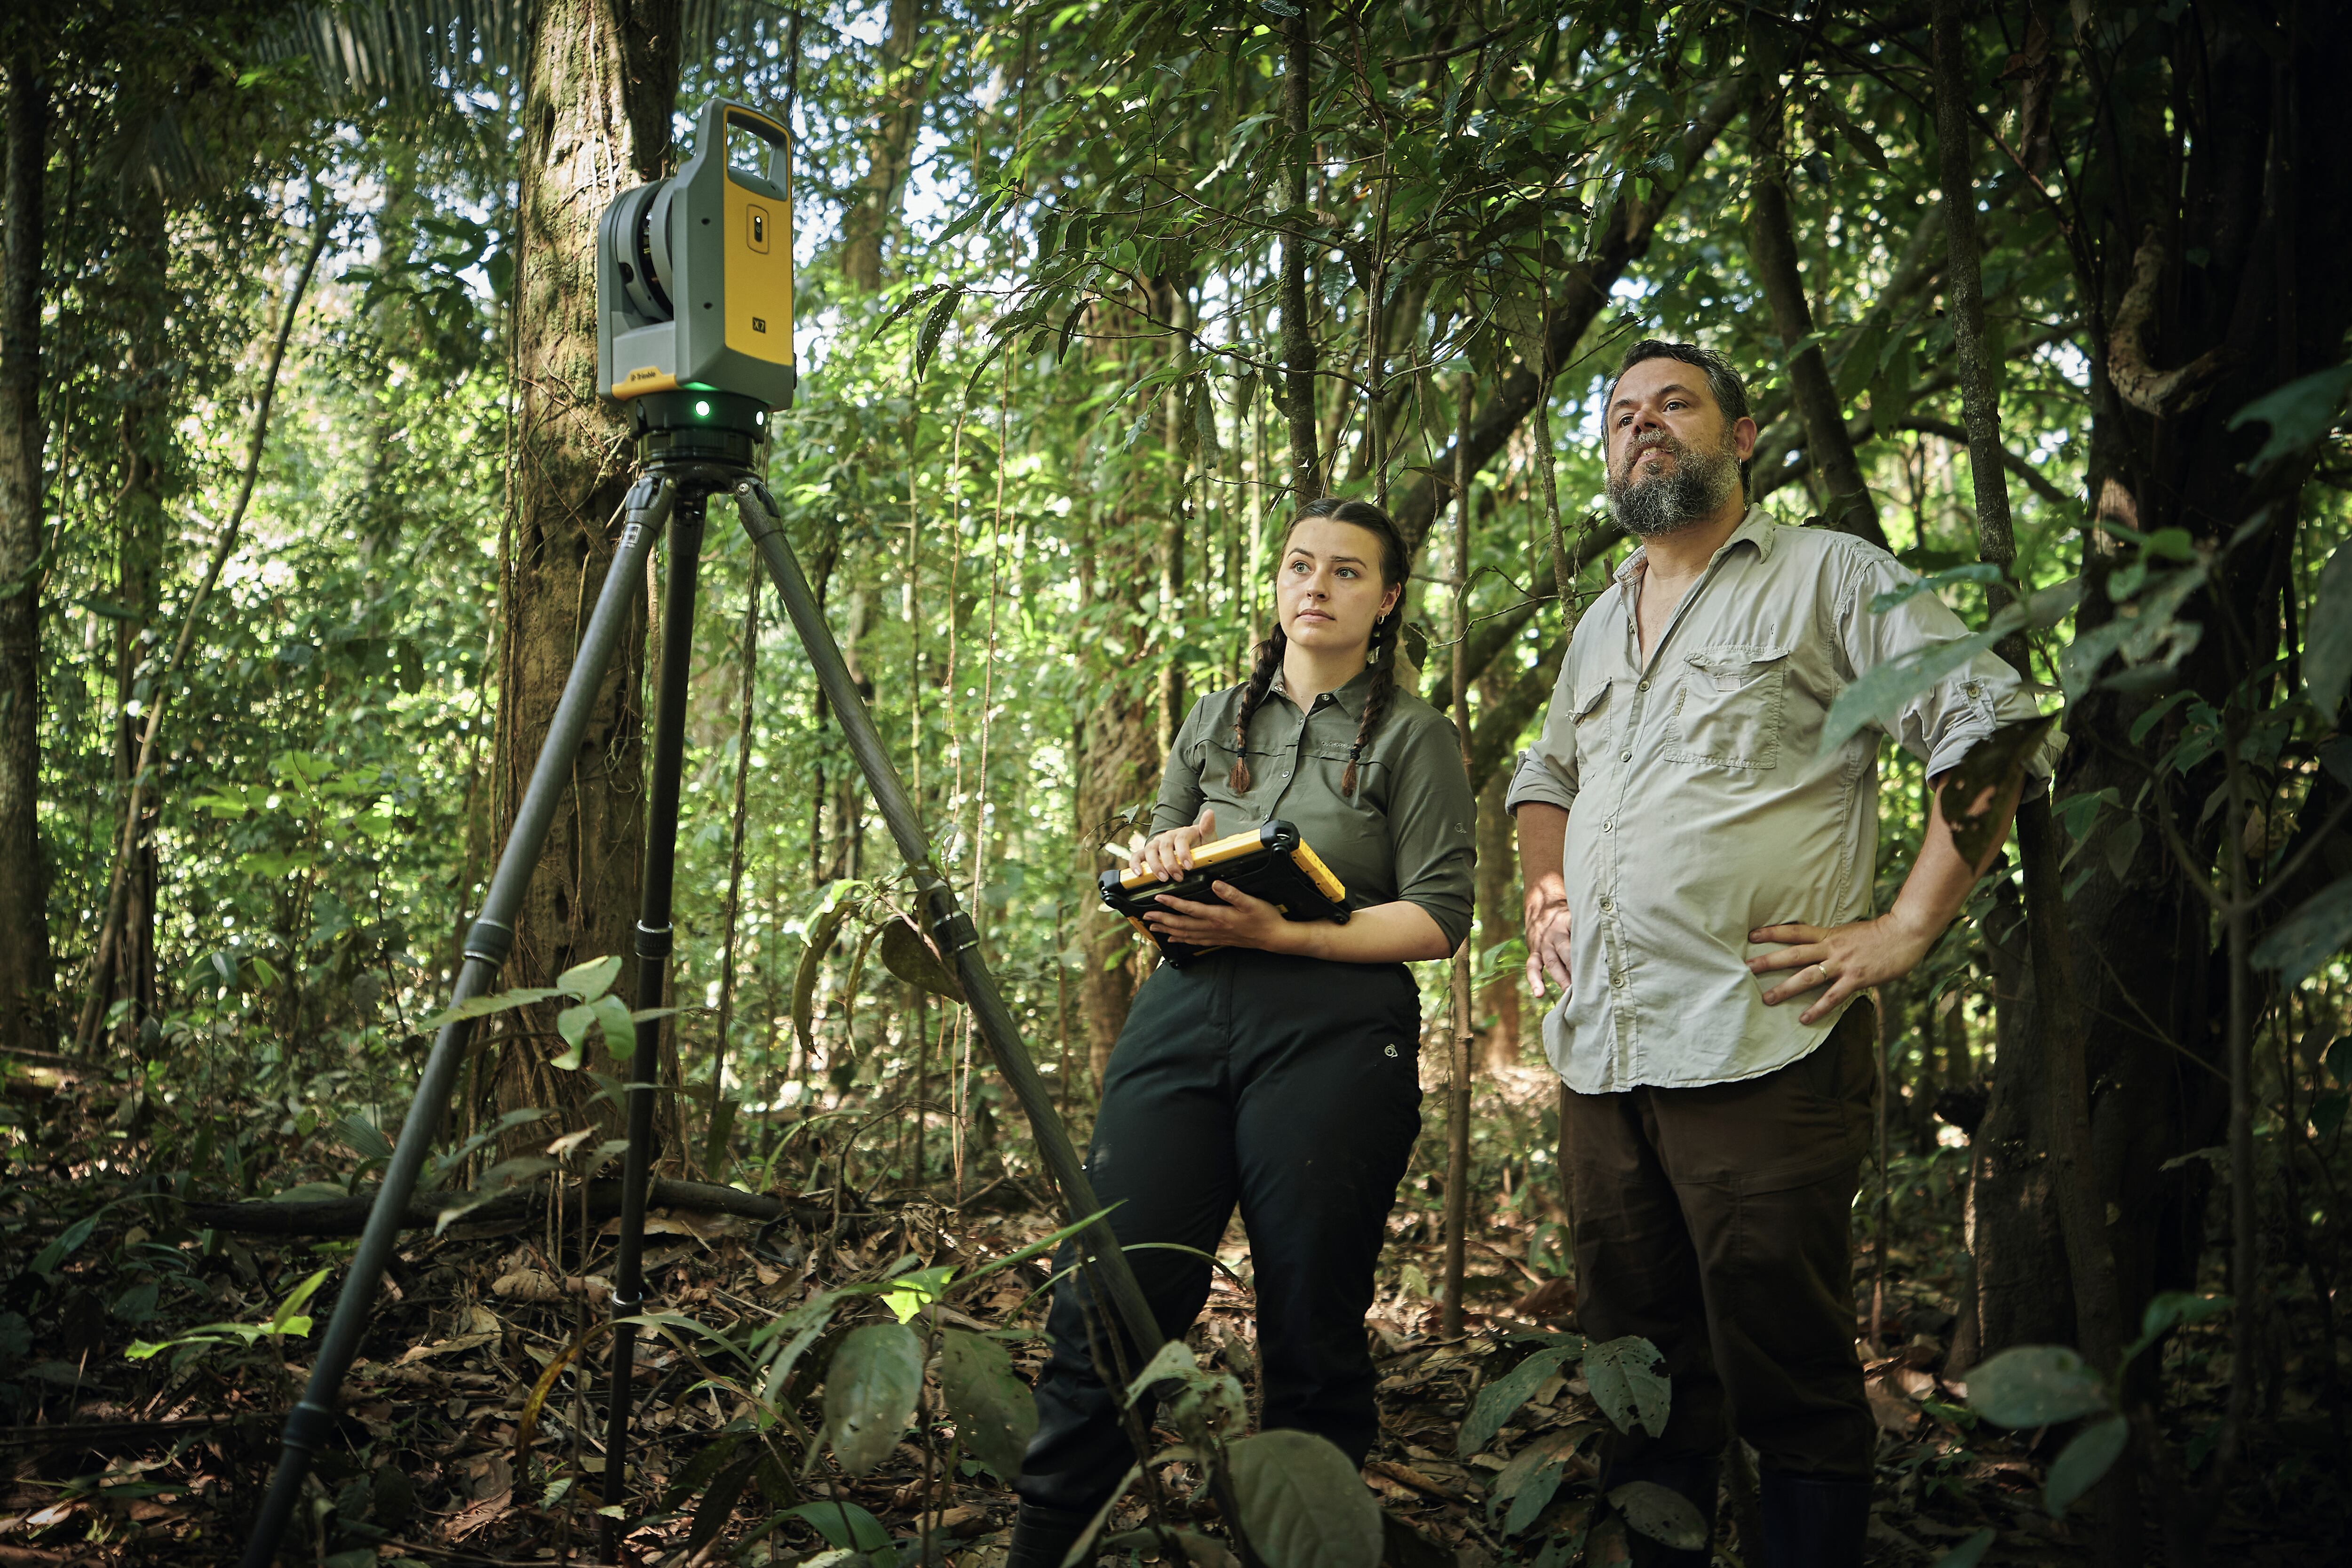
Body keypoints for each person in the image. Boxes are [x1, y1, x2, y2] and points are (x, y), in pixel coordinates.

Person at [1508, 342, 2044, 1568]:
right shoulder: (1599, 622)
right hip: (1603, 1056)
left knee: (1791, 1380)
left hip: (1761, 1040)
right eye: (1622, 416)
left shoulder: (1827, 575)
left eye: (1674, 405)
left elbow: (1985, 719)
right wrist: (1547, 883)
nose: (1644, 428)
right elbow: (1546, 776)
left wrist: (1904, 925)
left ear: (1741, 435)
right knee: (1641, 1381)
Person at [1008, 497, 1476, 1564]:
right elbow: (1159, 848)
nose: (1317, 584)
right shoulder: (1216, 716)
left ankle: (1309, 1544)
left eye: (1347, 571)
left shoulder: (1413, 736)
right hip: (1185, 1008)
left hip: (1336, 1030)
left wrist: (1287, 931)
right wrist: (1167, 857)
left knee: (1309, 1313)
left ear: (1387, 598)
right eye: (1300, 564)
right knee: (1114, 1290)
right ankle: (1047, 1544)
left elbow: (1440, 918)